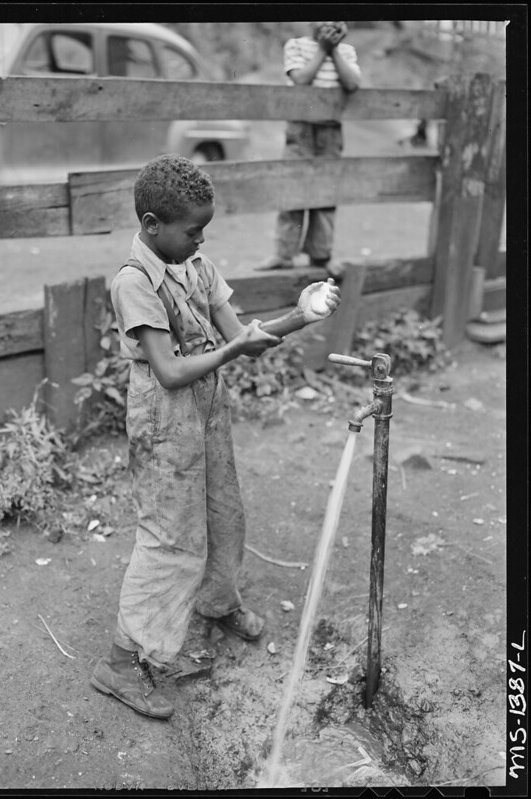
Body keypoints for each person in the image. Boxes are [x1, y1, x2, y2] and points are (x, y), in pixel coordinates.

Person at [91, 154, 341, 719]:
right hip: (164, 416)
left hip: (206, 409)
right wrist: (232, 351)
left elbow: (239, 333)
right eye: (192, 229)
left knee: (224, 512)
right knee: (170, 538)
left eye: (205, 228)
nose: (201, 238)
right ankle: (122, 662)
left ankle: (216, 600)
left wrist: (300, 315)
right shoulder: (133, 283)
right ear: (153, 225)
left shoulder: (196, 266)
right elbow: (171, 371)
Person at [257, 21, 361, 277]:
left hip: (330, 130)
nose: (328, 24)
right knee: (293, 188)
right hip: (300, 127)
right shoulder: (296, 46)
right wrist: (322, 50)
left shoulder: (346, 51)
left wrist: (333, 50)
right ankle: (284, 254)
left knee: (325, 192)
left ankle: (320, 254)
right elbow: (301, 78)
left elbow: (352, 83)